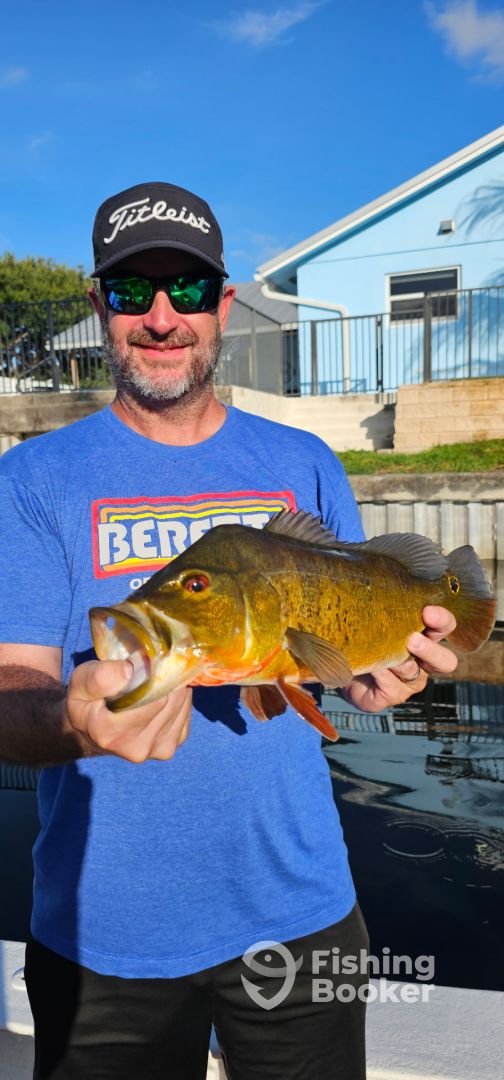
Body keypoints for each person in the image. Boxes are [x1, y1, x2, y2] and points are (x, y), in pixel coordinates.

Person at [0, 181, 457, 1080]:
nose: (161, 316)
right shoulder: (31, 480)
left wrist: (371, 680)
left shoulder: (305, 461)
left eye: (188, 288)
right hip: (102, 937)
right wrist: (70, 721)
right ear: (99, 304)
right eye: (131, 290)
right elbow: (10, 688)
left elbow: (336, 651)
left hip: (302, 912)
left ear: (224, 303)